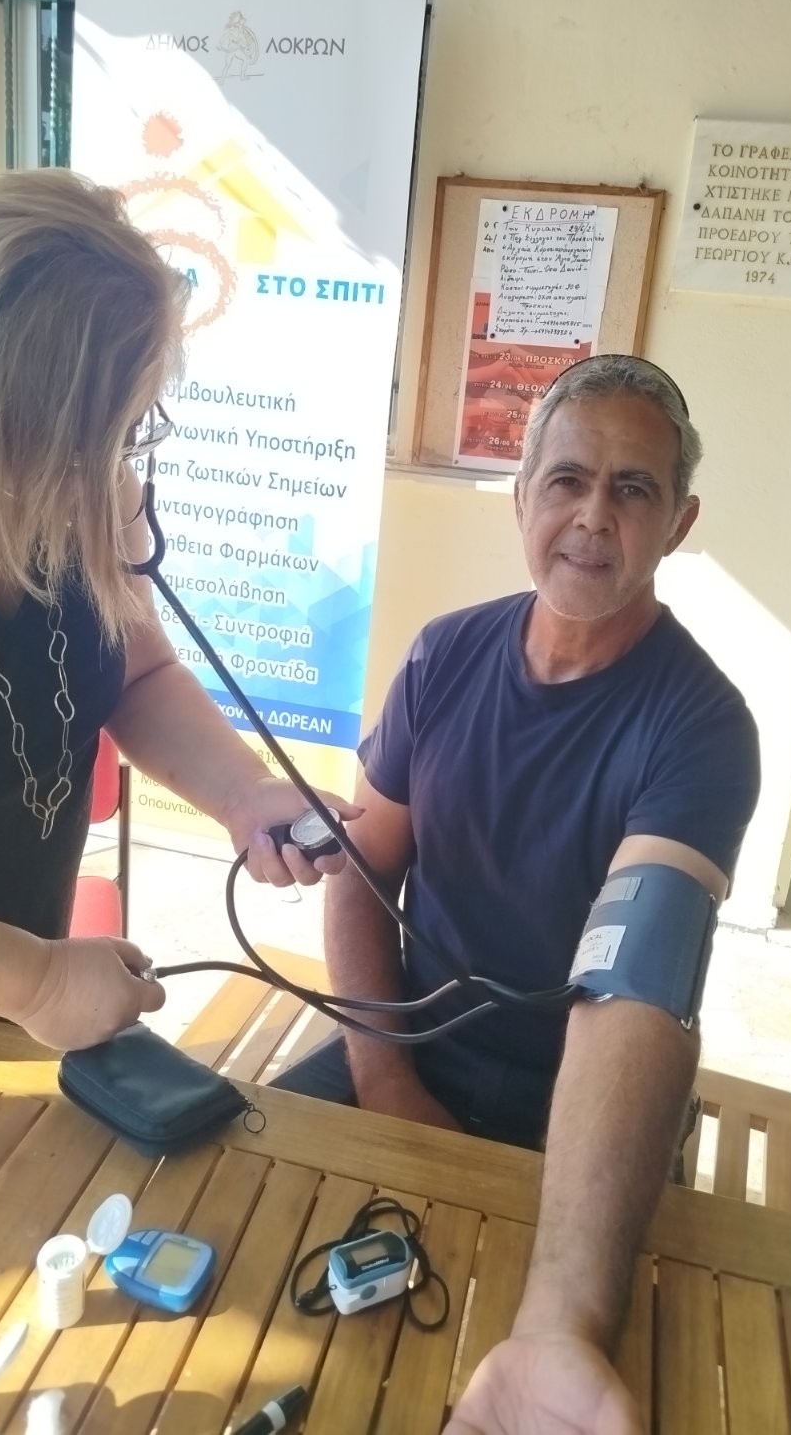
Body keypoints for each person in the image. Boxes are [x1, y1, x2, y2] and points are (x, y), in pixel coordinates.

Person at [274, 354, 760, 1434]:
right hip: (408, 1044)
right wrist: (386, 1078)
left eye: (633, 489)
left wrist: (565, 1315)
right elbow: (364, 872)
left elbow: (635, 986)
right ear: (522, 495)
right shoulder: (444, 655)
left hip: (581, 1104)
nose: (593, 516)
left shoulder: (704, 727)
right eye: (567, 480)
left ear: (677, 523)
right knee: (239, 1215)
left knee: (608, 1372)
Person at [0, 168, 357, 1054]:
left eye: (131, 428)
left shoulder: (88, 486)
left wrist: (242, 793)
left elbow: (137, 667)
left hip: (2, 1021)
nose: (118, 467)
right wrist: (39, 981)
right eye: (103, 433)